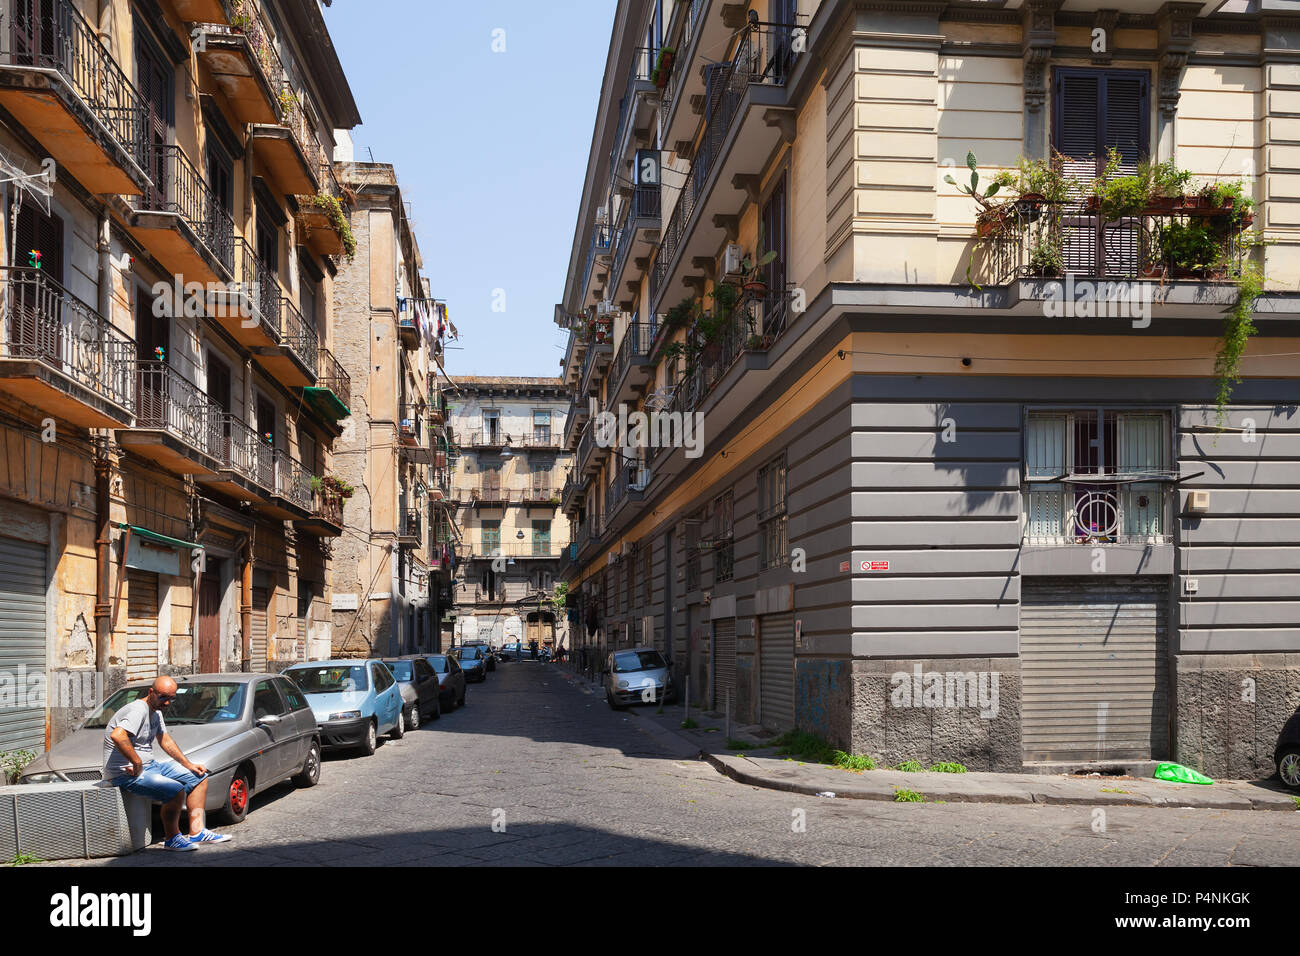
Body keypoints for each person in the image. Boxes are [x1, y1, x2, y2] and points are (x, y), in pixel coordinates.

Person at [103, 675, 231, 851]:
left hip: (150, 768)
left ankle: (197, 831)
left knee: (200, 776)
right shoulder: (138, 709)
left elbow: (165, 740)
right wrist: (136, 761)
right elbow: (118, 735)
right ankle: (172, 838)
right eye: (163, 697)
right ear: (151, 692)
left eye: (171, 698)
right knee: (175, 790)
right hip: (125, 774)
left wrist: (189, 765)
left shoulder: (156, 711)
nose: (167, 703)